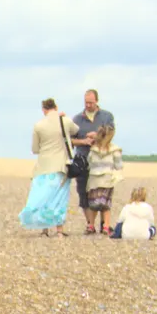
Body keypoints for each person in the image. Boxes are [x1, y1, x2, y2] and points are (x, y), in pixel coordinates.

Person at [20, 97, 77, 234]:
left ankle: (44, 229)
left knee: (44, 196)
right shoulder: (65, 121)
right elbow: (75, 130)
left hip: (43, 166)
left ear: (43, 110)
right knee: (59, 198)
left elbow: (35, 149)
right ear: (56, 107)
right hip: (60, 165)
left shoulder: (38, 125)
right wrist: (64, 116)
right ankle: (59, 230)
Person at [72, 88, 115, 234]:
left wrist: (97, 136)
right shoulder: (77, 119)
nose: (88, 105)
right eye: (86, 102)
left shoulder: (107, 116)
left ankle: (105, 224)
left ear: (96, 101)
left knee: (103, 192)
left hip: (102, 160)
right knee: (84, 192)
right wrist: (84, 141)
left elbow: (111, 134)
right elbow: (70, 140)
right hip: (83, 160)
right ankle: (90, 225)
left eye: (90, 102)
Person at [85, 123, 123, 233]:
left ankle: (91, 226)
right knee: (106, 205)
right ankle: (106, 226)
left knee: (93, 205)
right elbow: (118, 165)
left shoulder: (93, 149)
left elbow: (89, 162)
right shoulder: (114, 150)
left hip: (94, 180)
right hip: (107, 180)